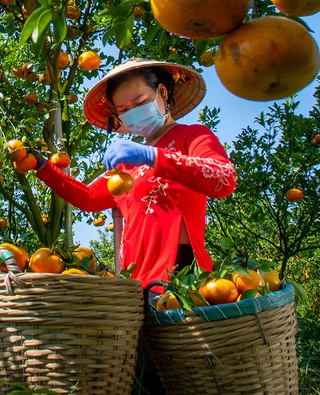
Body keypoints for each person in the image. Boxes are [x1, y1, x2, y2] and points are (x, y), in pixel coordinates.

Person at [32, 58, 235, 288]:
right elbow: (88, 197)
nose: (133, 113)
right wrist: (41, 166)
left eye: (139, 102)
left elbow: (223, 177)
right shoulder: (127, 165)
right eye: (124, 110)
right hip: (135, 283)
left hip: (178, 274)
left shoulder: (193, 136)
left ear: (162, 92)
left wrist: (152, 156)